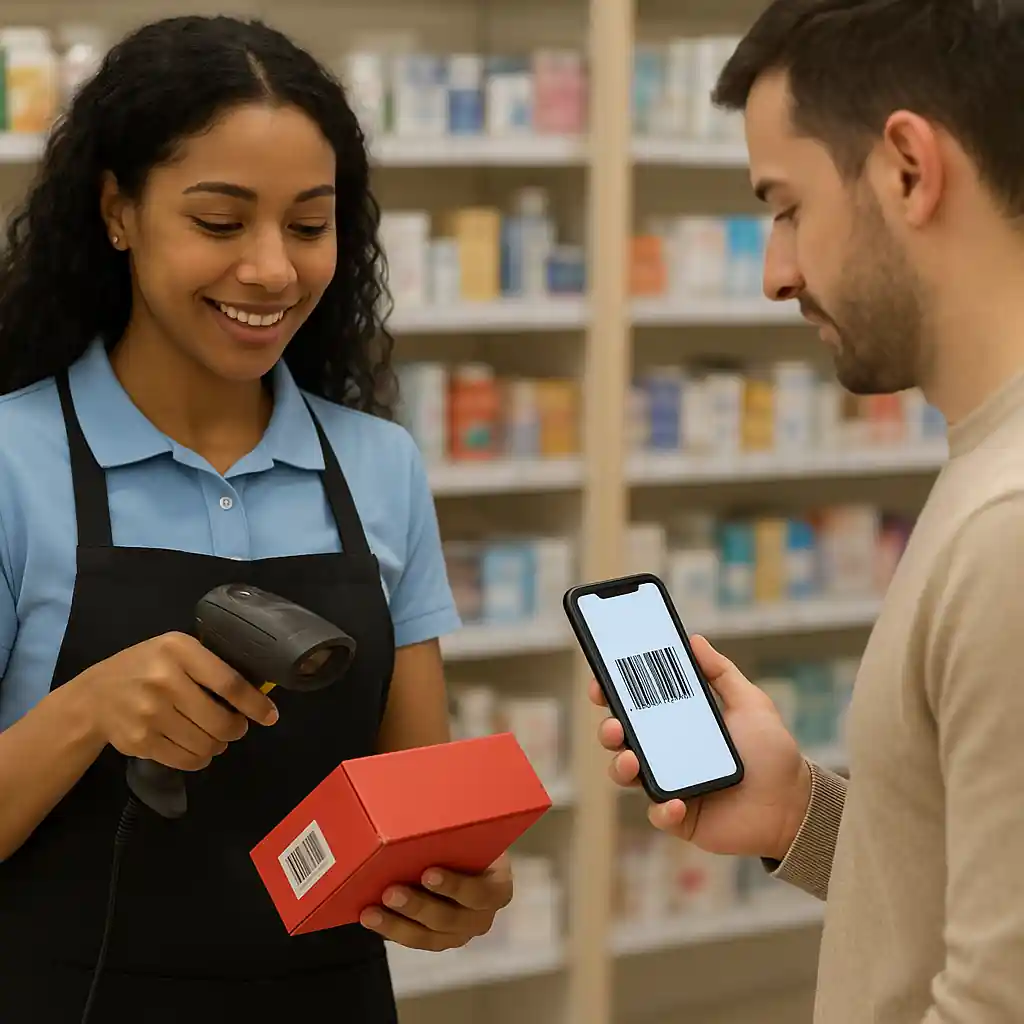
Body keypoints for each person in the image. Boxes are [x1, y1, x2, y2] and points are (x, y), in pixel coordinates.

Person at [0, 15, 512, 1023]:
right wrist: (86, 710)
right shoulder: (13, 460)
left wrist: (457, 891)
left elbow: (415, 797)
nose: (273, 271)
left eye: (310, 226)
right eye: (222, 223)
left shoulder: (379, 465)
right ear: (117, 212)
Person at [592, 1, 1024, 1021]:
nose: (775, 271)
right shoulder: (984, 468)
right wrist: (800, 811)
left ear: (907, 169)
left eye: (785, 208)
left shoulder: (1010, 524)